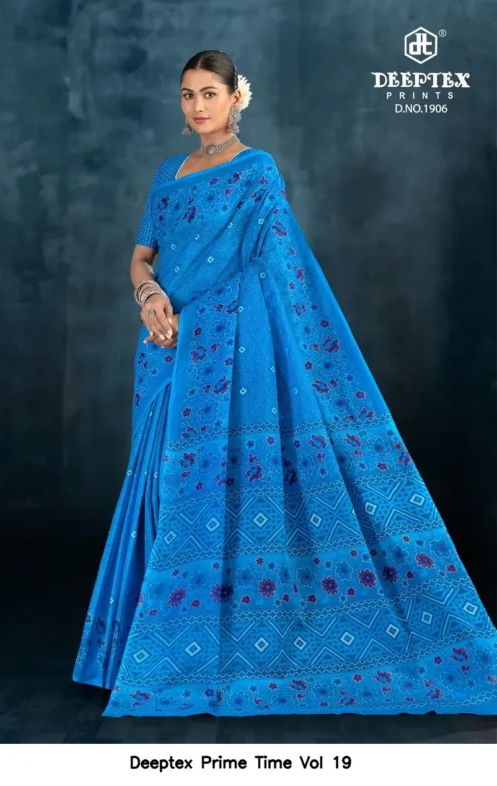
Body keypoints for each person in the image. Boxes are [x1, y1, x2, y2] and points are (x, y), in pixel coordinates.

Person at [72, 50, 497, 718]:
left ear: (236, 97)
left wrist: (198, 317)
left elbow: (272, 268)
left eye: (209, 93)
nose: (197, 106)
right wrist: (149, 295)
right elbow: (141, 257)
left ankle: (211, 649)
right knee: (158, 486)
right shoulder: (168, 173)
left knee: (213, 489)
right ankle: (138, 647)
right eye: (187, 94)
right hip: (163, 350)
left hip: (220, 350)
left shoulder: (257, 171)